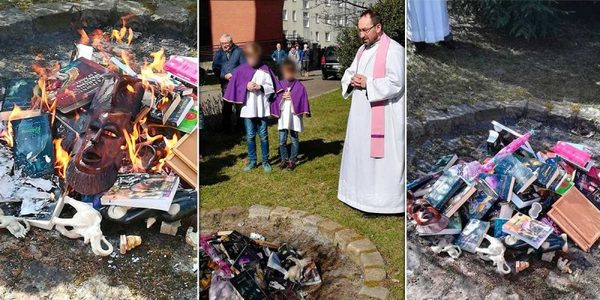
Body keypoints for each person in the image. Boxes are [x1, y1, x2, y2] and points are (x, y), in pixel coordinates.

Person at [338, 9, 404, 214]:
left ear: (378, 27)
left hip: (383, 116)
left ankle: (382, 202)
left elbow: (397, 83)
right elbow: (350, 71)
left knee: (379, 162)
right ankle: (358, 197)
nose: (361, 35)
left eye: (365, 30)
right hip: (360, 115)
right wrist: (351, 80)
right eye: (359, 30)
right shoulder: (362, 51)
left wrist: (369, 83)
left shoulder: (394, 50)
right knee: (360, 155)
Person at [223, 43, 275, 172]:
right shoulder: (241, 70)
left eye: (255, 57)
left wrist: (260, 87)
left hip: (262, 107)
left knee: (263, 135)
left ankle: (265, 161)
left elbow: (272, 87)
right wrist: (245, 86)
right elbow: (235, 85)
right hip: (248, 108)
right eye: (250, 57)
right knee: (250, 135)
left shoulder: (265, 69)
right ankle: (252, 161)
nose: (252, 60)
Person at [270, 59, 311, 171]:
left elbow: (302, 98)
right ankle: (284, 159)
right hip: (283, 116)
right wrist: (282, 97)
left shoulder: (299, 86)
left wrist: (292, 97)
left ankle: (292, 160)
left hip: (294, 116)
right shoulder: (280, 84)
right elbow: (275, 97)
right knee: (282, 140)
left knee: (294, 138)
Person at [212, 34, 245, 132]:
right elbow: (215, 68)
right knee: (227, 107)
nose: (224, 45)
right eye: (222, 43)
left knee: (239, 107)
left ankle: (240, 128)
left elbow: (244, 66)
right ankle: (226, 129)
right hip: (226, 85)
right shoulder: (218, 54)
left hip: (238, 84)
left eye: (226, 43)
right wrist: (224, 76)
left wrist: (233, 74)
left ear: (231, 42)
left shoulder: (239, 52)